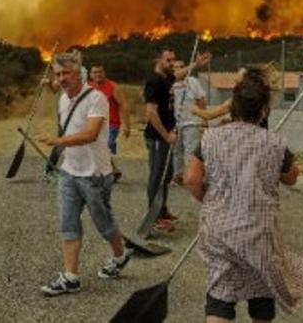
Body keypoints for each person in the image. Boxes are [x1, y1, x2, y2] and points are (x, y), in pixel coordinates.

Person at [184, 68, 303, 323]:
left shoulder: (210, 138)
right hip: (259, 232)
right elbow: (292, 177)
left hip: (219, 230)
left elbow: (192, 179)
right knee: (262, 294)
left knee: (220, 292)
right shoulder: (276, 143)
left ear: (233, 107)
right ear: (264, 110)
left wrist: (209, 199)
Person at [37, 52, 130, 296]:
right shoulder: (63, 99)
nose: (61, 79)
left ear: (79, 74)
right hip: (69, 172)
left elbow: (90, 133)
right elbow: (70, 128)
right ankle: (71, 277)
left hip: (94, 175)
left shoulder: (96, 98)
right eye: (58, 74)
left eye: (65, 73)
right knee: (68, 224)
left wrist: (58, 140)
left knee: (104, 224)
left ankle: (120, 256)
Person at [144, 48, 210, 233]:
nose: (172, 63)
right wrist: (166, 135)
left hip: (167, 136)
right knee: (157, 178)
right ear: (158, 60)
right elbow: (150, 112)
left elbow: (179, 74)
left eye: (174, 60)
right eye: (168, 60)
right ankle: (154, 218)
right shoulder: (154, 81)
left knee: (166, 176)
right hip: (158, 138)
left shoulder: (166, 78)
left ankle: (162, 212)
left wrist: (196, 64)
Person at [89, 64, 130, 181]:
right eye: (95, 72)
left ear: (104, 73)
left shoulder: (113, 87)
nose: (98, 75)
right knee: (97, 147)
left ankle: (107, 172)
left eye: (100, 72)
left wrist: (127, 125)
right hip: (94, 123)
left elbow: (123, 105)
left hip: (111, 124)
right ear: (91, 75)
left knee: (106, 145)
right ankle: (113, 171)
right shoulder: (89, 87)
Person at [170, 59, 207, 185]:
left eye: (182, 66)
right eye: (176, 67)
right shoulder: (170, 83)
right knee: (176, 150)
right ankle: (177, 175)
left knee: (190, 151)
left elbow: (201, 99)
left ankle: (192, 177)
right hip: (176, 123)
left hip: (191, 122)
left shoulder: (192, 81)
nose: (179, 68)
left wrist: (204, 118)